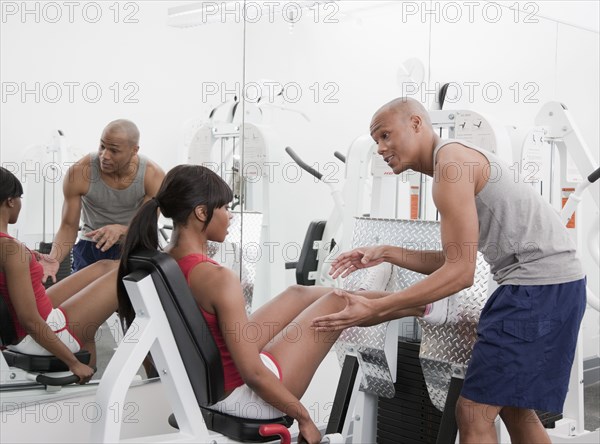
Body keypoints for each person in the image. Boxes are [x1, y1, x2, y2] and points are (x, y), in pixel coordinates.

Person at [312, 97, 586, 443]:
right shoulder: (451, 162)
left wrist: (378, 307)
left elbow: (460, 273)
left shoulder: (451, 164)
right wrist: (387, 253)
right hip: (549, 286)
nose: (380, 148)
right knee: (515, 408)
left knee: (472, 413)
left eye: (385, 135)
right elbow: (454, 257)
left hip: (536, 289)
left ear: (416, 123)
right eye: (376, 140)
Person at [116, 164, 435, 444]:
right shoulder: (215, 277)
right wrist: (304, 418)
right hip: (245, 398)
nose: (229, 216)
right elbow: (254, 373)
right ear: (201, 212)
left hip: (213, 375)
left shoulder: (161, 261)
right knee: (337, 301)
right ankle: (424, 306)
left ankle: (382, 296)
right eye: (225, 207)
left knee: (298, 293)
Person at [0, 167, 119, 383]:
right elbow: (29, 320)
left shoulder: (9, 248)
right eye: (20, 198)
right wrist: (73, 363)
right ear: (10, 201)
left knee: (105, 266)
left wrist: (30, 257)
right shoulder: (11, 249)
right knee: (121, 272)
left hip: (24, 329)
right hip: (42, 333)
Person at [44, 119, 165, 281]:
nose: (104, 155)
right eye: (102, 146)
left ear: (134, 150)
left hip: (133, 245)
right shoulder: (79, 172)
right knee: (81, 302)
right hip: (91, 245)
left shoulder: (153, 176)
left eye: (114, 151)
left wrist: (122, 230)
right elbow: (67, 226)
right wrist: (53, 259)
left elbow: (147, 227)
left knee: (130, 301)